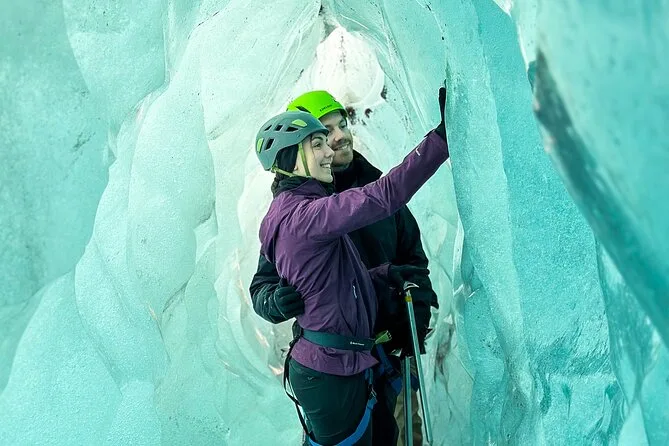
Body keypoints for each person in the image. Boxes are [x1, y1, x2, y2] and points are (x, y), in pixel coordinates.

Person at [252, 87, 449, 445]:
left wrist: (395, 281)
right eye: (321, 138)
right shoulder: (307, 213)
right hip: (337, 359)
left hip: (380, 350)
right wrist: (440, 140)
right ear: (293, 157)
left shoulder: (313, 203)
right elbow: (387, 195)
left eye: (341, 125)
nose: (335, 142)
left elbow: (391, 259)